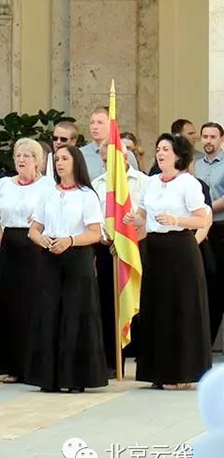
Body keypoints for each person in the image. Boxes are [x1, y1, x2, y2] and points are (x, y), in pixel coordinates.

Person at [127, 134, 213, 389]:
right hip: (155, 249)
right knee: (156, 308)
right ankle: (157, 371)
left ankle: (181, 372)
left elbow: (201, 219)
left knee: (180, 308)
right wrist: (133, 219)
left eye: (166, 149)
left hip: (180, 249)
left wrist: (176, 220)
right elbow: (143, 214)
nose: (161, 152)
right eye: (158, 148)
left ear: (178, 155)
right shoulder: (151, 183)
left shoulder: (188, 183)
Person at [25, 145, 107, 393]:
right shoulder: (49, 194)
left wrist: (69, 241)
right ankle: (48, 376)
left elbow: (94, 233)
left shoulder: (86, 195)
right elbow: (34, 228)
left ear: (76, 162)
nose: (60, 163)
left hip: (76, 257)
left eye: (65, 159)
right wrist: (41, 240)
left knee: (75, 315)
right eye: (57, 159)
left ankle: (75, 377)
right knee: (49, 313)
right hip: (50, 257)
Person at [0, 139, 47, 383]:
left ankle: (34, 363)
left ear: (38, 161)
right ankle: (10, 364)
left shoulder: (47, 186)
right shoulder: (3, 184)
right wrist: (1, 238)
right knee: (9, 303)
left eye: (27, 156)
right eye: (18, 155)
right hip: (9, 245)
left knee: (32, 304)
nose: (21, 160)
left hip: (36, 249)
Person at [91, 141, 149, 372]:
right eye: (105, 161)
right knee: (107, 303)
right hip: (107, 249)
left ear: (125, 158)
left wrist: (129, 241)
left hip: (136, 248)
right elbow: (95, 216)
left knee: (136, 301)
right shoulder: (96, 184)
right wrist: (106, 238)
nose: (108, 165)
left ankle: (142, 357)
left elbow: (146, 217)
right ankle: (112, 361)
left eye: (113, 160)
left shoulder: (144, 182)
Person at [195, 122, 224, 345]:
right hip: (201, 230)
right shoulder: (196, 165)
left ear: (221, 140)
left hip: (220, 228)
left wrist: (206, 210)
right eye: (205, 136)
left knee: (219, 282)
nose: (208, 141)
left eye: (212, 137)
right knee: (206, 283)